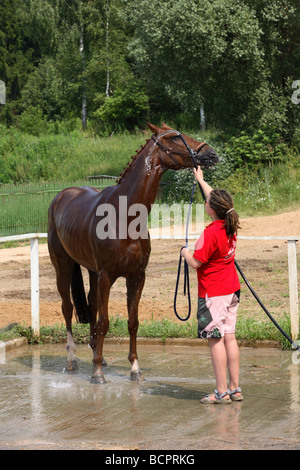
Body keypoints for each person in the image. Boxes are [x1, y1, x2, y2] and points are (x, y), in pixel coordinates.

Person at [181, 166, 243, 404]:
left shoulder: (211, 233)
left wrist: (185, 252)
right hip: (231, 291)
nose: (205, 202)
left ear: (211, 209)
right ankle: (234, 388)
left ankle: (220, 392)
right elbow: (217, 198)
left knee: (215, 339)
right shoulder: (230, 224)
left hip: (213, 294)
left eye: (206, 201)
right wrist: (201, 180)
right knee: (230, 337)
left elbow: (196, 262)